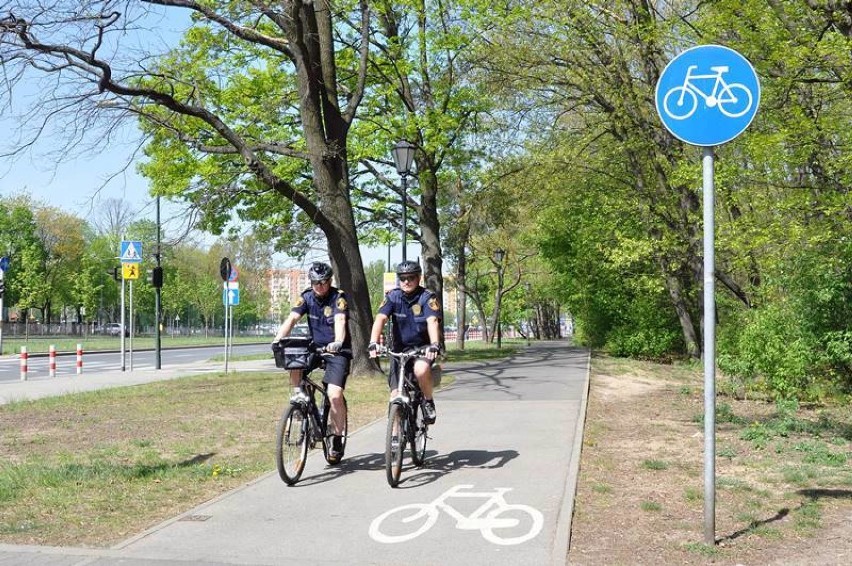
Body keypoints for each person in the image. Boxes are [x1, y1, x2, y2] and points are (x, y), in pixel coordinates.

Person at [273, 261, 350, 462]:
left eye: (323, 282)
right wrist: (278, 339)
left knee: (334, 395)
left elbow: (340, 321)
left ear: (330, 281)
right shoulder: (306, 297)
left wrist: (338, 341)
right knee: (294, 359)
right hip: (315, 347)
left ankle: (337, 439)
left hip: (337, 350)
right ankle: (300, 397)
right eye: (316, 283)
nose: (320, 286)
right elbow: (291, 320)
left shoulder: (338, 298)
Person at [368, 260, 441, 424]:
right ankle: (394, 438)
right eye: (402, 278)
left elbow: (432, 321)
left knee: (421, 370)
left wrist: (434, 344)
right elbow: (380, 319)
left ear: (419, 278)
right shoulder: (393, 296)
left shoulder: (427, 297)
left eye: (411, 277)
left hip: (423, 348)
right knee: (395, 395)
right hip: (399, 350)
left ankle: (428, 401)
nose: (406, 281)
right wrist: (373, 342)